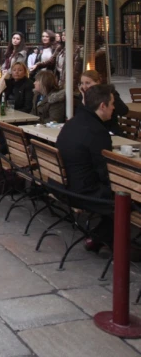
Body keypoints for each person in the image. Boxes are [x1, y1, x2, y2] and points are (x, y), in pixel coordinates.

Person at [57, 84, 116, 250]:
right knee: (127, 198)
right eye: (112, 103)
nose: (114, 107)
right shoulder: (97, 131)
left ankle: (100, 238)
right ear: (102, 106)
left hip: (62, 185)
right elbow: (105, 173)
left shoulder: (73, 122)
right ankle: (103, 239)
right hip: (83, 193)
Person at [78, 70, 128, 136]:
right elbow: (80, 117)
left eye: (88, 83)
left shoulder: (109, 94)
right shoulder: (83, 96)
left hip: (110, 132)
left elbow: (123, 110)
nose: (84, 87)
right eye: (82, 83)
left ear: (98, 82)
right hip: (91, 132)